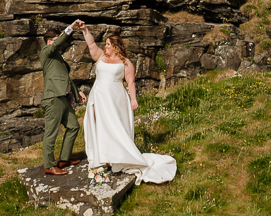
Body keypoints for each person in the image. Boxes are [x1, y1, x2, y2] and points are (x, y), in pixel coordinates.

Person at [76, 21, 177, 184]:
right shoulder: (100, 56)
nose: (106, 46)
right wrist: (85, 29)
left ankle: (117, 156)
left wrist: (133, 100)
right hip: (98, 95)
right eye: (106, 44)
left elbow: (130, 83)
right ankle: (101, 157)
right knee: (96, 124)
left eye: (109, 44)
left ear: (116, 46)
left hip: (115, 98)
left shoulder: (126, 63)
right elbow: (91, 43)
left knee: (113, 126)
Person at [36, 22, 83, 175]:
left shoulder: (58, 58)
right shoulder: (46, 52)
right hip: (53, 98)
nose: (59, 42)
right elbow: (56, 45)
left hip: (64, 98)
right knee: (51, 132)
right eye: (56, 39)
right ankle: (49, 166)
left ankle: (64, 159)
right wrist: (70, 28)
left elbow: (65, 78)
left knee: (74, 126)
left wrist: (78, 92)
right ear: (50, 41)